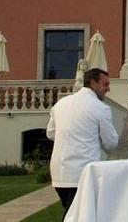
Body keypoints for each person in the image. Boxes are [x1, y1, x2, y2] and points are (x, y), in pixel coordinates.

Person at [46, 68, 119, 218]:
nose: (108, 89)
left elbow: (51, 133)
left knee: (73, 214)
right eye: (105, 84)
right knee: (78, 216)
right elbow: (111, 144)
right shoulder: (100, 108)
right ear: (93, 83)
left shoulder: (61, 104)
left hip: (59, 173)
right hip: (83, 173)